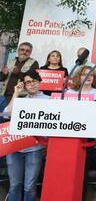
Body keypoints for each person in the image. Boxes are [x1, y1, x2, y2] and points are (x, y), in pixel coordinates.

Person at [3, 70, 48, 201]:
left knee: (29, 186)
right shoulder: (20, 100)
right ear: (24, 85)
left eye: (34, 81)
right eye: (28, 82)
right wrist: (16, 93)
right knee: (15, 185)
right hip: (14, 148)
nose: (32, 84)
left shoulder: (49, 100)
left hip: (34, 149)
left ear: (39, 82)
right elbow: (6, 115)